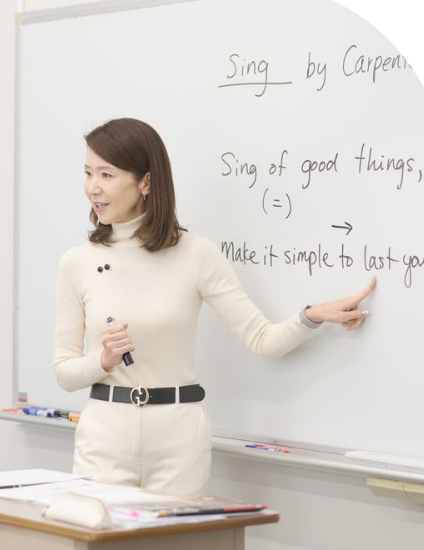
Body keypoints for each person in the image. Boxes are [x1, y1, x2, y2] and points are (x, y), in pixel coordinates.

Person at [54, 118, 376, 496]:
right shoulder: (77, 262)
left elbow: (263, 339)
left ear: (146, 182)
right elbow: (64, 373)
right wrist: (103, 360)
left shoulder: (196, 254)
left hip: (178, 441)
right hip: (103, 440)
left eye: (106, 174)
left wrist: (311, 316)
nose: (92, 187)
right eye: (88, 173)